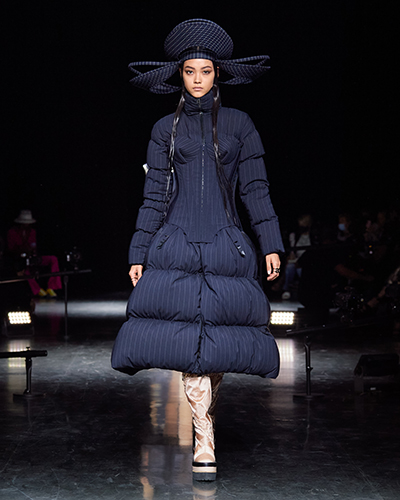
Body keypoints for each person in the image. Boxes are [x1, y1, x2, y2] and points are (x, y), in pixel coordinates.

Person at [111, 19, 285, 481]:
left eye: (205, 71)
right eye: (189, 71)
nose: (197, 79)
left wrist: (271, 243)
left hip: (227, 245)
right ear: (180, 74)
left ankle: (204, 423)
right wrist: (138, 250)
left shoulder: (240, 123)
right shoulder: (163, 128)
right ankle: (204, 436)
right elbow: (153, 196)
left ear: (218, 73)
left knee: (219, 348)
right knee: (191, 347)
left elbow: (255, 188)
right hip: (177, 245)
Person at [7, 210, 62, 297]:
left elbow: (33, 245)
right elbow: (11, 248)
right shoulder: (12, 232)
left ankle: (51, 287)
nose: (26, 225)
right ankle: (37, 290)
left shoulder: (32, 231)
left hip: (32, 256)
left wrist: (32, 252)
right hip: (19, 259)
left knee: (53, 259)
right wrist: (22, 250)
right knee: (24, 270)